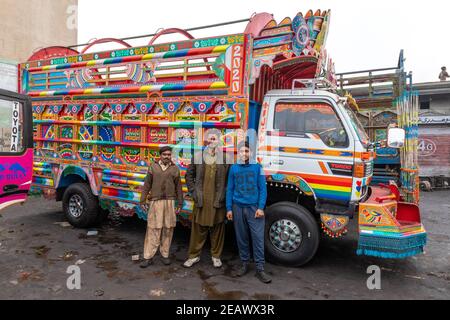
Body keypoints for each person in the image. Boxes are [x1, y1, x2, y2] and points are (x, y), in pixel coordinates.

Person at [226, 141, 271, 284]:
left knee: (257, 238)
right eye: (241, 151)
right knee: (242, 237)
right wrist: (228, 208)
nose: (243, 154)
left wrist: (260, 207)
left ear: (250, 153)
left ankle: (260, 268)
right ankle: (244, 264)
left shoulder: (257, 167)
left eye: (246, 151)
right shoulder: (233, 168)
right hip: (237, 207)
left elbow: (263, 189)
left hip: (254, 208)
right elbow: (230, 189)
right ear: (238, 153)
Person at [183, 130, 229, 268]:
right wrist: (193, 192)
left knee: (218, 230)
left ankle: (216, 256)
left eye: (214, 139)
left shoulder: (226, 158)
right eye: (209, 139)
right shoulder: (198, 156)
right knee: (198, 230)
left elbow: (230, 180)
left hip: (218, 200)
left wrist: (225, 194)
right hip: (201, 200)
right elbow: (188, 176)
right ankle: (193, 256)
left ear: (219, 141)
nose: (211, 141)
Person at [139, 146, 183, 268]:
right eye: (164, 154)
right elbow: (147, 184)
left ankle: (165, 255)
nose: (167, 157)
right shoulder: (153, 167)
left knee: (168, 229)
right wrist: (142, 200)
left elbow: (178, 188)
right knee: (153, 228)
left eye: (169, 155)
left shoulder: (175, 169)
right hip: (155, 202)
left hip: (169, 202)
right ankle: (148, 257)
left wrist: (180, 203)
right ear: (160, 155)